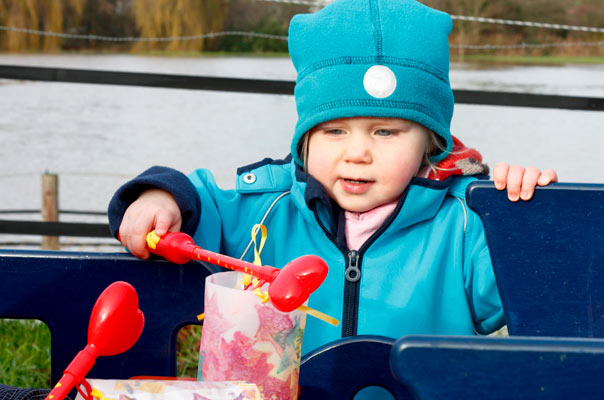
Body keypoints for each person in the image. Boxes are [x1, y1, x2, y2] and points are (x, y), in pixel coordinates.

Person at [109, 0, 556, 365]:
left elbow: (552, 280)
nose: (356, 152)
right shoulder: (267, 210)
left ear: (431, 144)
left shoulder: (466, 225)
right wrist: (160, 195)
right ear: (305, 138)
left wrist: (534, 211)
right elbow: (199, 202)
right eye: (334, 131)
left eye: (385, 131)